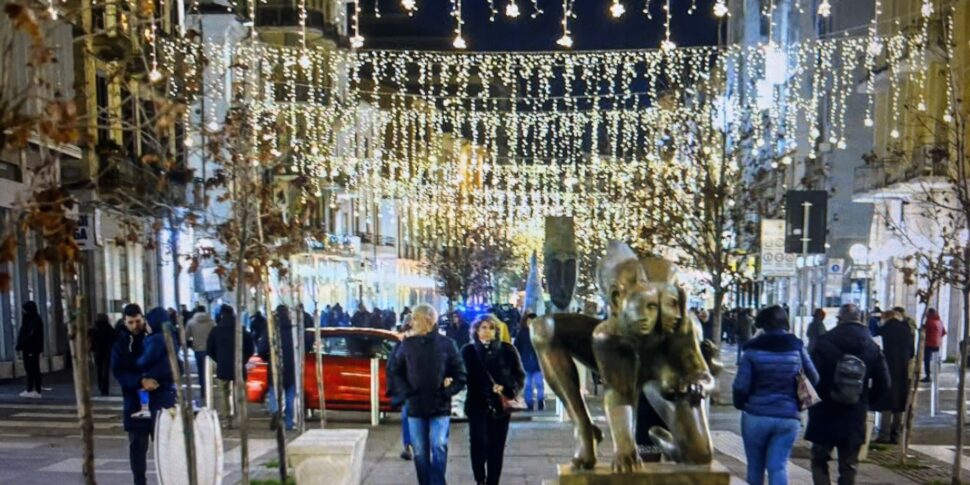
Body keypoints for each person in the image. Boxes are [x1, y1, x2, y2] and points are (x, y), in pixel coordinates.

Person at [733, 305, 818, 485]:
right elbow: (815, 378)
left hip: (756, 415)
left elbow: (740, 387)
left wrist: (742, 404)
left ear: (762, 324)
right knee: (778, 466)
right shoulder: (796, 347)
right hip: (789, 417)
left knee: (755, 467)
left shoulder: (752, 350)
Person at [805, 304, 890, 485]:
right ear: (860, 319)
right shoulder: (873, 347)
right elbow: (884, 383)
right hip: (854, 413)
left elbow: (810, 376)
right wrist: (866, 401)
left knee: (819, 459)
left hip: (825, 412)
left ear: (839, 319)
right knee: (849, 465)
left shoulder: (824, 342)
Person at [389, 304, 466, 485]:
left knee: (439, 446)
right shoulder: (407, 345)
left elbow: (460, 374)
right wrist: (406, 392)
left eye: (415, 318)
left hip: (439, 405)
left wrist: (447, 392)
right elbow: (395, 371)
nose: (412, 322)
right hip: (415, 406)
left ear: (428, 320)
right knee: (419, 452)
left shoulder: (447, 345)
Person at [111, 304, 175, 485]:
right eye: (130, 322)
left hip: (159, 399)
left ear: (143, 319)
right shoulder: (121, 344)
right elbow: (119, 372)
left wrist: (157, 380)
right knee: (137, 449)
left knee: (165, 447)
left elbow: (171, 363)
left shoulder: (153, 336)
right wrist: (140, 381)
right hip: (134, 402)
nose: (134, 326)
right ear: (124, 321)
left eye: (137, 321)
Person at [463, 314, 525, 485]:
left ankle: (493, 481)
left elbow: (519, 375)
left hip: (500, 407)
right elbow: (462, 375)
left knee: (496, 448)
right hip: (477, 405)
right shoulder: (468, 351)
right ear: (476, 330)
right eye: (483, 327)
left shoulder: (507, 350)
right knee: (478, 443)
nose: (487, 331)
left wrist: (507, 388)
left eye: (491, 328)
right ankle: (480, 478)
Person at [206, 305, 255, 426]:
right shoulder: (241, 330)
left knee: (224, 393)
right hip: (238, 365)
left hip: (223, 365)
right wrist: (244, 359)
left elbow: (209, 349)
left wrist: (218, 359)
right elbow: (251, 347)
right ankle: (240, 417)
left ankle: (227, 418)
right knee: (239, 392)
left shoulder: (216, 330)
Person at [874, 309, 914, 444]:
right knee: (899, 403)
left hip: (886, 369)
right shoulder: (906, 330)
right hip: (902, 371)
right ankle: (896, 434)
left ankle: (884, 433)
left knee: (886, 401)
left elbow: (877, 351)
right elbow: (912, 352)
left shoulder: (883, 331)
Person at [260, 305, 297, 430]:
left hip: (275, 366)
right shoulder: (293, 329)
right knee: (290, 396)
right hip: (290, 367)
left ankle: (276, 411)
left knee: (273, 392)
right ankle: (288, 422)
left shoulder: (271, 330)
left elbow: (262, 348)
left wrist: (267, 358)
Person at [388, 319, 414, 461]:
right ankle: (408, 446)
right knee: (407, 416)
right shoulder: (401, 346)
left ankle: (414, 445)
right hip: (408, 391)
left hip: (424, 390)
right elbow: (393, 368)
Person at [514, 312, 544, 411]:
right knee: (528, 385)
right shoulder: (522, 333)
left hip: (538, 364)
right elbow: (516, 347)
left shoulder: (540, 333)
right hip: (525, 364)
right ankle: (529, 403)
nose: (530, 323)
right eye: (529, 321)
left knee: (539, 384)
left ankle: (540, 402)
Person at [186, 305, 216, 403]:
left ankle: (203, 391)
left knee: (201, 371)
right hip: (210, 349)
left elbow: (187, 336)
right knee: (209, 371)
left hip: (198, 349)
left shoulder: (191, 322)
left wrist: (191, 345)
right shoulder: (212, 322)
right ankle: (209, 390)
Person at [16, 301, 44, 398]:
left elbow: (32, 335)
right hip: (29, 348)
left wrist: (23, 342)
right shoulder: (32, 319)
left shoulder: (34, 320)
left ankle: (34, 389)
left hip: (31, 348)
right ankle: (32, 389)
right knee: (30, 368)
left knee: (32, 368)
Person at [89, 313, 116, 396]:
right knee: (105, 371)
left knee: (99, 370)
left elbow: (91, 340)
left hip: (98, 352)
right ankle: (105, 389)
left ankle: (100, 386)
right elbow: (114, 338)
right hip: (108, 352)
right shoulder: (109, 328)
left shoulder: (94, 329)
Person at [921, 308, 946, 383]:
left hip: (929, 343)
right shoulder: (940, 321)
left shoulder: (929, 321)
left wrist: (922, 327)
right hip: (937, 343)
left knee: (927, 360)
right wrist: (938, 337)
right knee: (936, 360)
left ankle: (928, 376)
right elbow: (944, 332)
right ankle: (936, 375)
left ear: (929, 313)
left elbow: (925, 330)